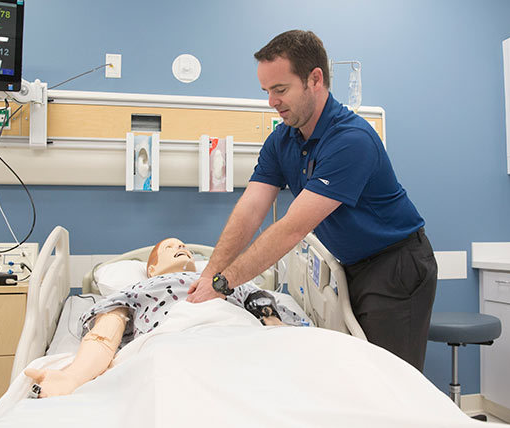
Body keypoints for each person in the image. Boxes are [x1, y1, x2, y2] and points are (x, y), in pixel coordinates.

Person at [187, 30, 437, 372]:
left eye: (280, 89)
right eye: (266, 91)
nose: (271, 102)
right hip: (353, 264)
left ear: (314, 79)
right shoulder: (282, 140)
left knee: (392, 381)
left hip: (396, 265)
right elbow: (251, 208)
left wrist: (224, 283)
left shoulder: (352, 140)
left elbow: (292, 229)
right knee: (362, 378)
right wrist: (211, 274)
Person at [25, 238, 301, 398]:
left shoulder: (224, 279)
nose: (182, 247)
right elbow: (107, 330)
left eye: (184, 246)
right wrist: (74, 376)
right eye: (171, 247)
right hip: (173, 338)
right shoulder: (140, 288)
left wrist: (277, 330)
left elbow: (259, 302)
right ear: (152, 267)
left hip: (237, 333)